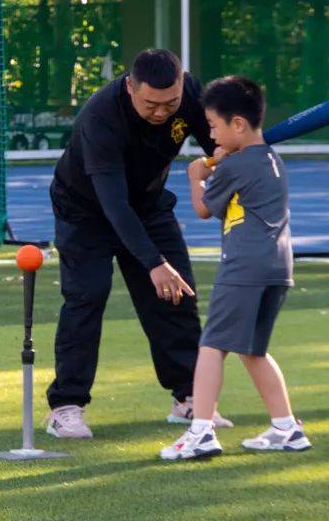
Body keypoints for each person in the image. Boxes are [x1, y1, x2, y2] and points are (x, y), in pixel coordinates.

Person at [45, 49, 233, 439]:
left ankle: (189, 397)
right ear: (130, 87)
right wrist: (153, 263)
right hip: (86, 211)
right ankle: (66, 406)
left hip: (148, 204)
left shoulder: (190, 93)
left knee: (177, 295)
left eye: (170, 103)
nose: (161, 112)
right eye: (151, 104)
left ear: (182, 83)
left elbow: (214, 141)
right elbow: (114, 206)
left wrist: (227, 153)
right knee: (87, 296)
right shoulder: (101, 117)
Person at [160, 75, 310, 460]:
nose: (211, 135)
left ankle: (201, 431)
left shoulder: (234, 166)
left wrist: (197, 177)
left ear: (238, 124)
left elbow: (203, 208)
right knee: (253, 350)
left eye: (213, 126)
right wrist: (222, 167)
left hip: (243, 266)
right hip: (277, 268)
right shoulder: (271, 160)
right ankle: (286, 427)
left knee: (211, 345)